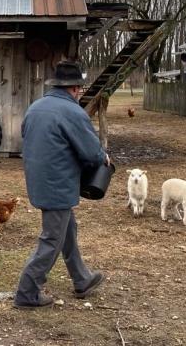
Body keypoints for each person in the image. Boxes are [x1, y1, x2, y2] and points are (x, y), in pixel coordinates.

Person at [13, 60, 110, 309]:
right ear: (76, 88)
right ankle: (27, 292)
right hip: (58, 184)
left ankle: (82, 279)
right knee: (51, 239)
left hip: (40, 180)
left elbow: (27, 137)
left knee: (68, 229)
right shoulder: (73, 112)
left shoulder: (36, 107)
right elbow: (91, 154)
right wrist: (103, 157)